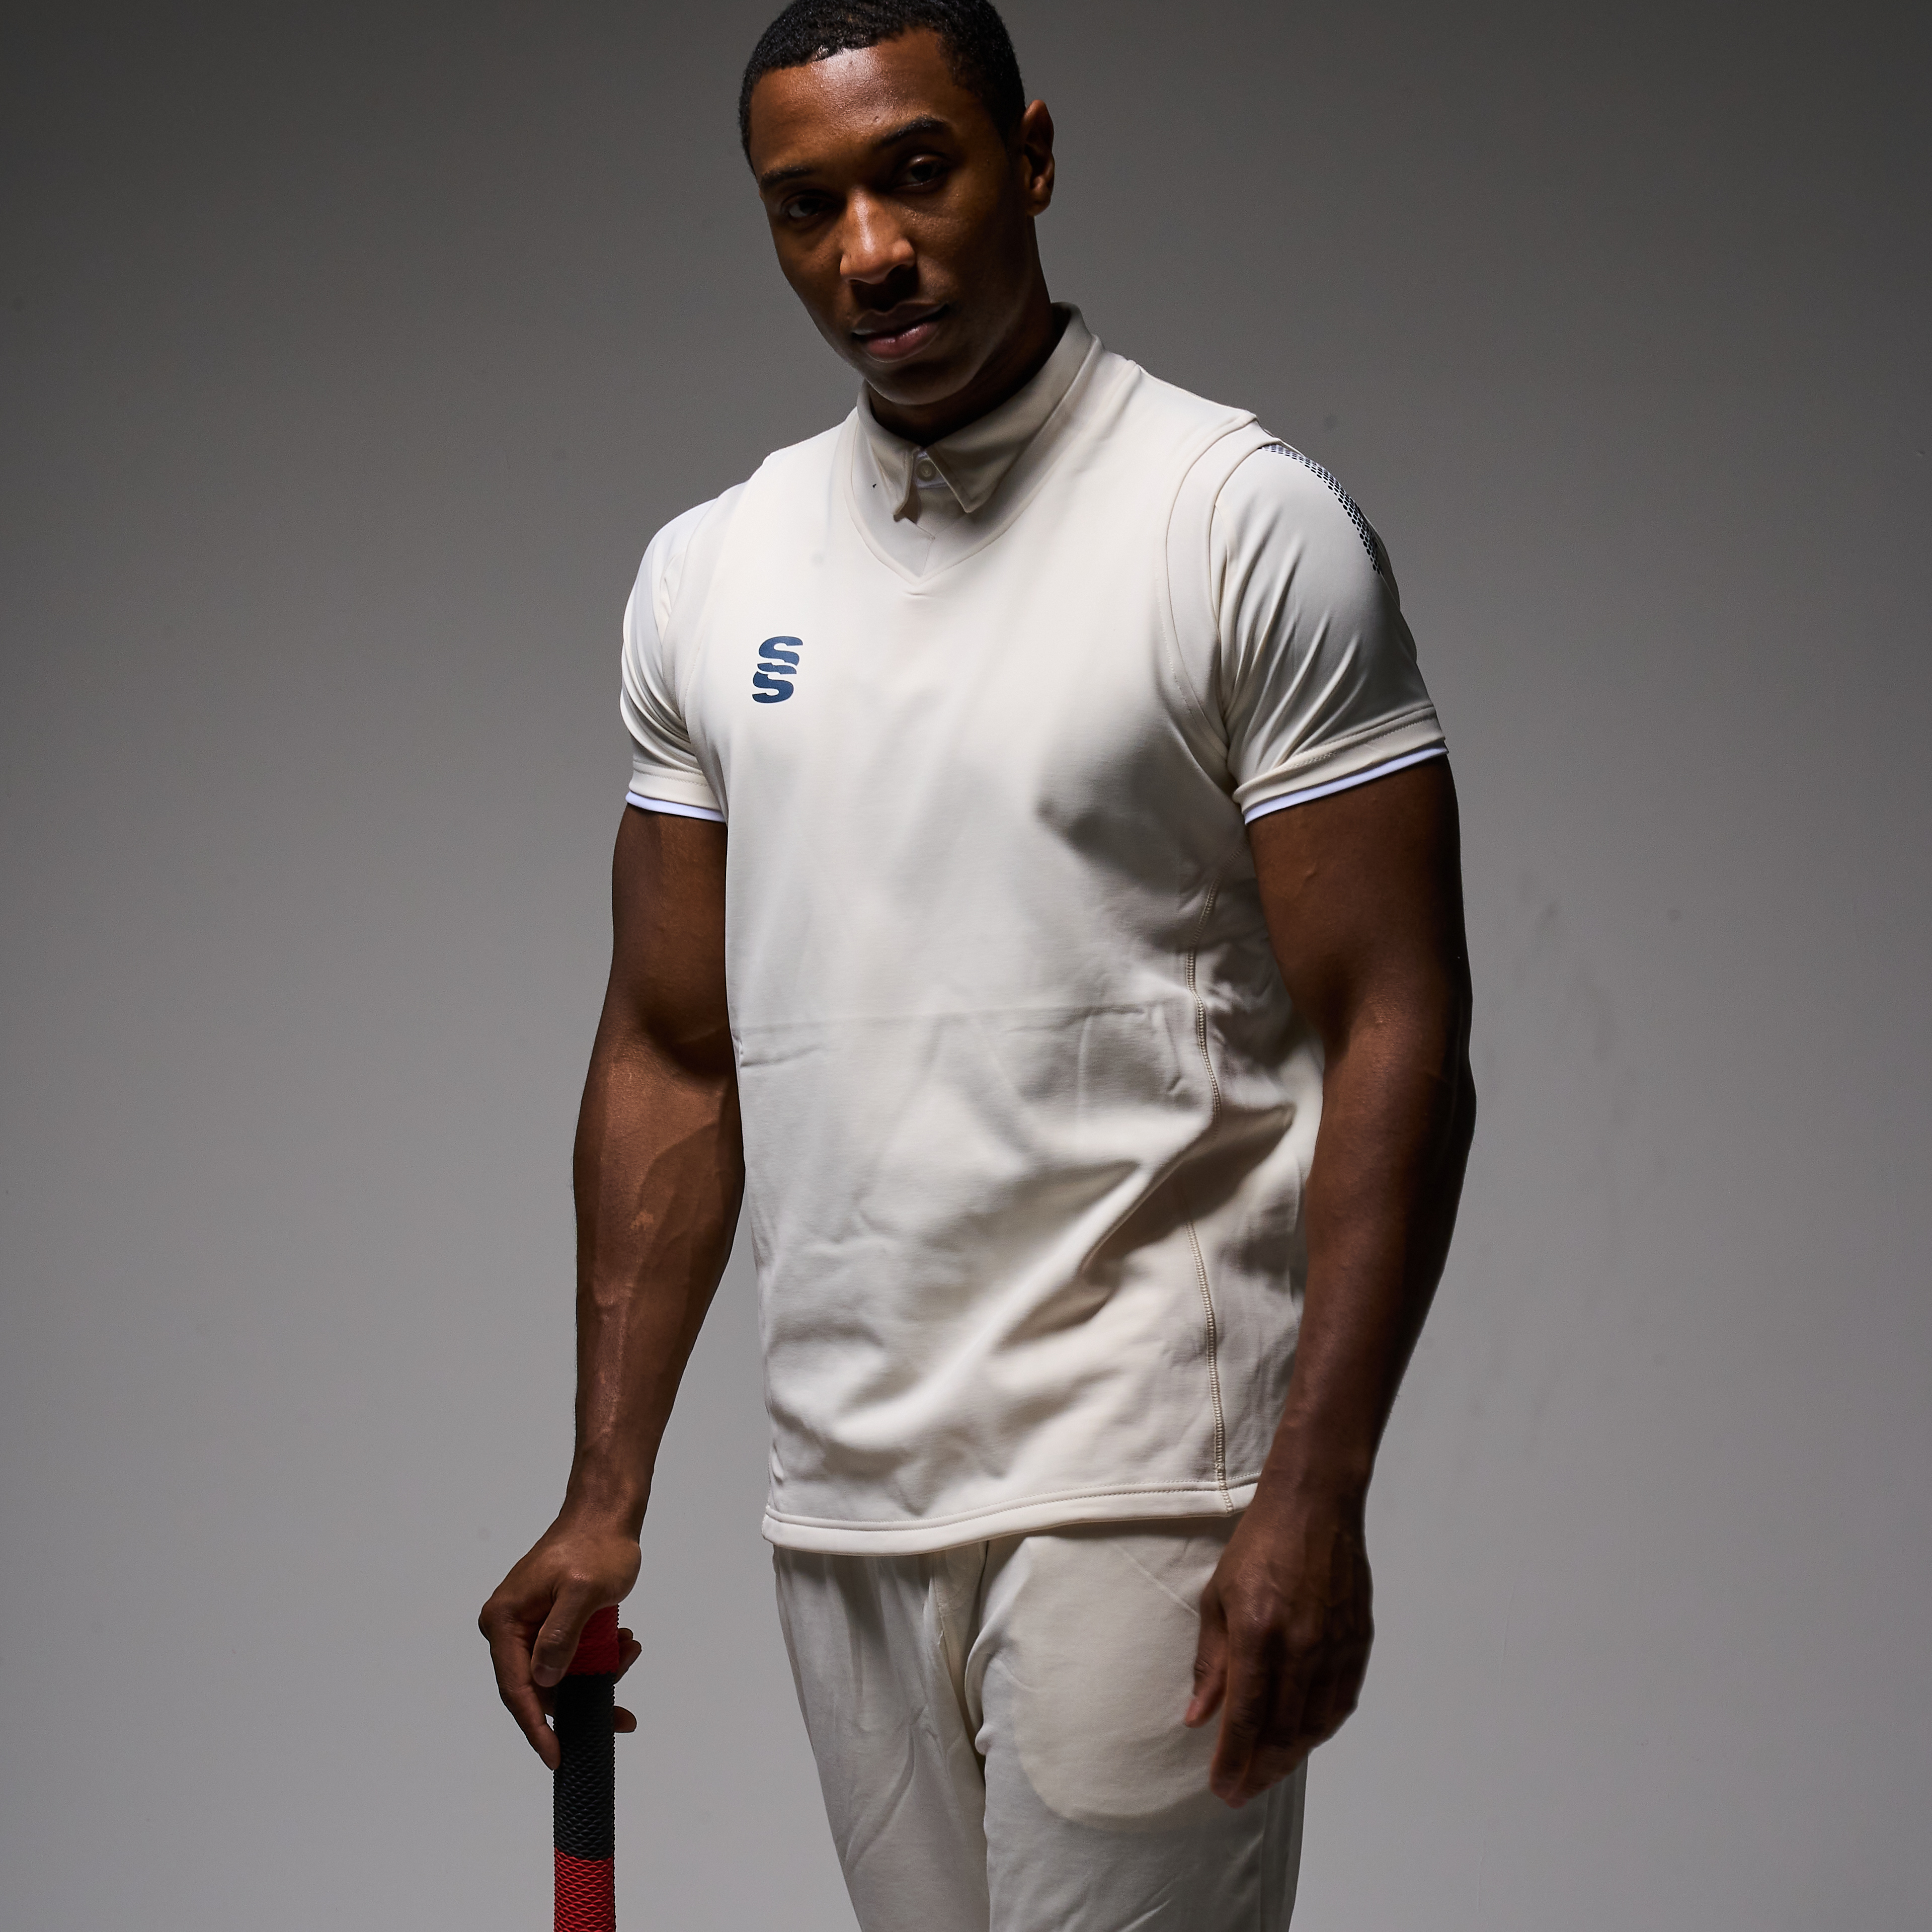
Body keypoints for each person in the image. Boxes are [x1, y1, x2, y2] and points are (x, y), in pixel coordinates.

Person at [479, 3, 1476, 1925]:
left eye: (916, 173)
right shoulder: (712, 571)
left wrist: (1316, 1489)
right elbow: (671, 1051)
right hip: (844, 1498)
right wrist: (607, 1490)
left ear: (1031, 156)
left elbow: (1399, 1022)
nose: (868, 250)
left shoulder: (1232, 519)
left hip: (1146, 1483)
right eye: (806, 206)